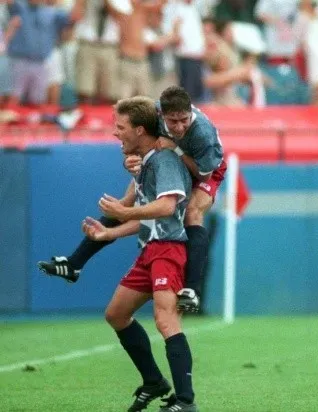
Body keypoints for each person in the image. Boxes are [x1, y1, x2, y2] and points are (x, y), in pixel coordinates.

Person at [38, 86, 225, 313]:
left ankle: (192, 289)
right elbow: (133, 138)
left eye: (184, 120)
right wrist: (130, 159)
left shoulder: (201, 132)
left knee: (193, 211)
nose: (179, 127)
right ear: (161, 114)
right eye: (172, 122)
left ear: (190, 113)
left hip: (203, 168)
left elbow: (203, 173)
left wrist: (176, 149)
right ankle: (74, 263)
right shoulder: (153, 112)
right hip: (170, 160)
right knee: (123, 204)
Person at [81, 96, 197, 411]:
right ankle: (154, 381)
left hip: (168, 250)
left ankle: (186, 401)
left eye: (120, 127)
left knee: (166, 319)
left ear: (140, 130)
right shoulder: (145, 161)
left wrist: (123, 210)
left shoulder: (164, 161)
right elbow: (149, 216)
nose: (115, 133)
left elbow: (167, 207)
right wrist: (110, 232)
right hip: (150, 250)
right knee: (116, 314)